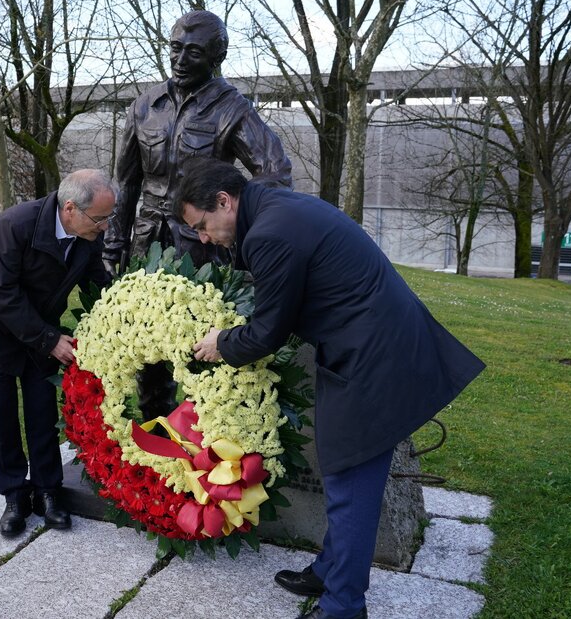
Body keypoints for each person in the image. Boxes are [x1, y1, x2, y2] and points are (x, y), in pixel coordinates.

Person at [175, 160, 486, 619]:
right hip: (365, 345)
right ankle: (332, 570)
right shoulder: (274, 207)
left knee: (350, 483)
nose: (203, 237)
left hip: (373, 358)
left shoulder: (267, 233)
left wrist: (220, 342)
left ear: (224, 201)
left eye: (201, 225)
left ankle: (343, 607)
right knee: (345, 477)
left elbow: (267, 333)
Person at [102, 9, 294, 421]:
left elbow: (274, 171)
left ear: (216, 56)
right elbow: (126, 182)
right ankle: (153, 437)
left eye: (193, 51)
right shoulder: (144, 106)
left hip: (202, 252)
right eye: (175, 48)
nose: (180, 59)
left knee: (201, 350)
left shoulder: (232, 109)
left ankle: (208, 449)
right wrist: (115, 241)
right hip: (146, 245)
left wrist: (248, 234)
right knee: (145, 345)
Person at [0, 169, 117, 538]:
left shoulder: (86, 234)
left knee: (42, 410)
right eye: (101, 218)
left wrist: (128, 309)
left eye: (109, 217)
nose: (106, 227)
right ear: (71, 208)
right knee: (0, 417)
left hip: (40, 329)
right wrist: (49, 340)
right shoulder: (14, 225)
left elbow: (98, 283)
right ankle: (15, 495)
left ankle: (48, 490)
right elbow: (2, 293)